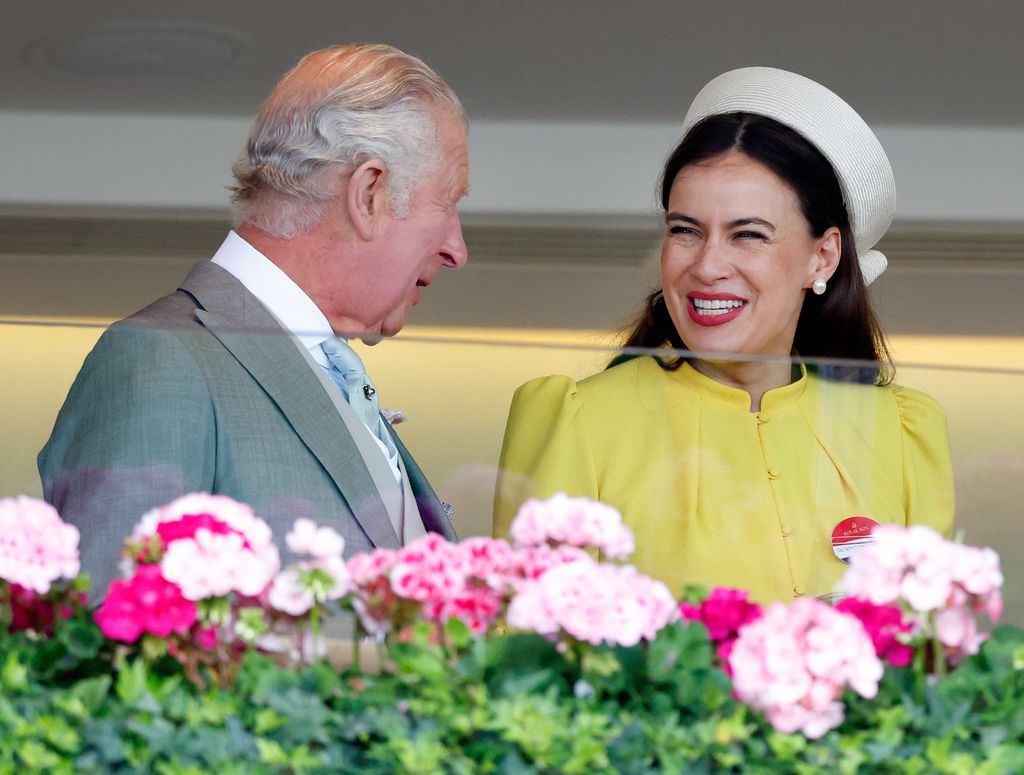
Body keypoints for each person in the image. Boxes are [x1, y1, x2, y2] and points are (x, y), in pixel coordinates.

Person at [494, 67, 954, 603]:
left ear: (822, 255)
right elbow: (529, 656)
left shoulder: (902, 433)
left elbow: (933, 659)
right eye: (685, 231)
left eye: (748, 235)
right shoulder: (576, 421)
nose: (708, 266)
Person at [39, 44, 468, 597]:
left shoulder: (321, 364)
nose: (458, 249)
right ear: (369, 193)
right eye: (449, 201)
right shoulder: (159, 360)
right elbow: (108, 645)